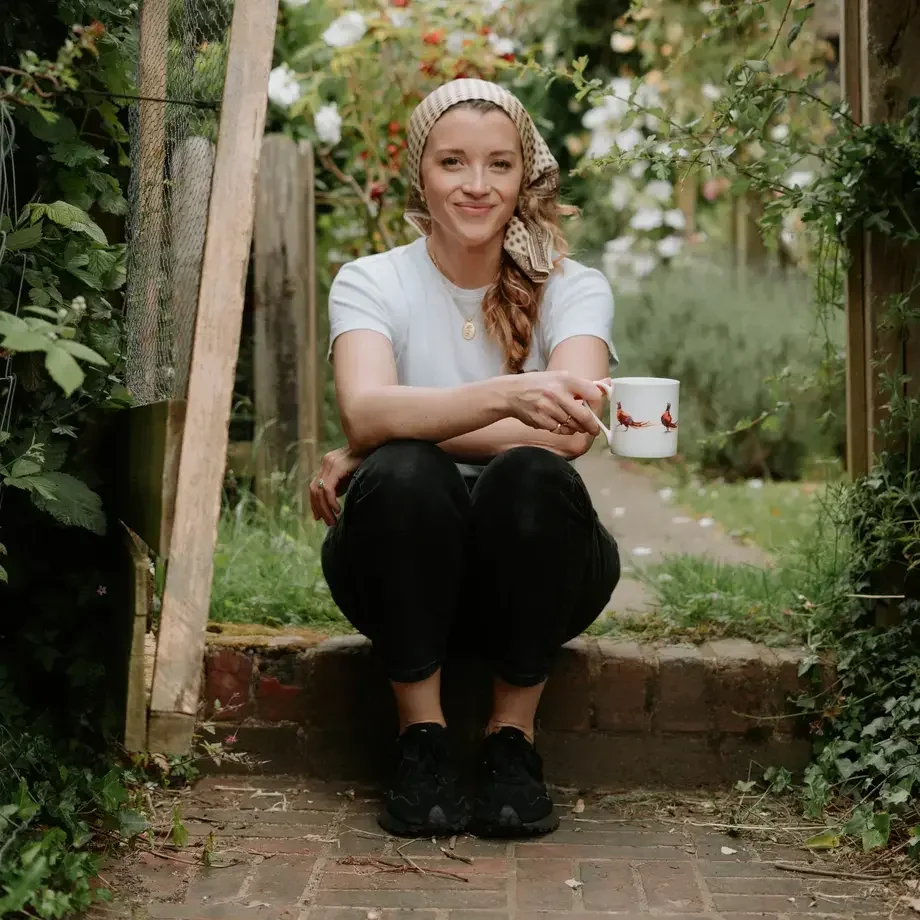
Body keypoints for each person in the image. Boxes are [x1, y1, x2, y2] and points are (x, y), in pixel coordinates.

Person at [310, 79, 621, 839]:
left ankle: (511, 742)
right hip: (401, 571)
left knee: (530, 476)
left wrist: (390, 429)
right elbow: (365, 407)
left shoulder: (572, 288)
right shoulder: (370, 281)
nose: (477, 186)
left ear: (527, 175)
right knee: (405, 478)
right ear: (421, 173)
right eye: (453, 163)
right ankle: (421, 740)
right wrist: (507, 400)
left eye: (499, 165)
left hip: (538, 573)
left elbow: (573, 429)